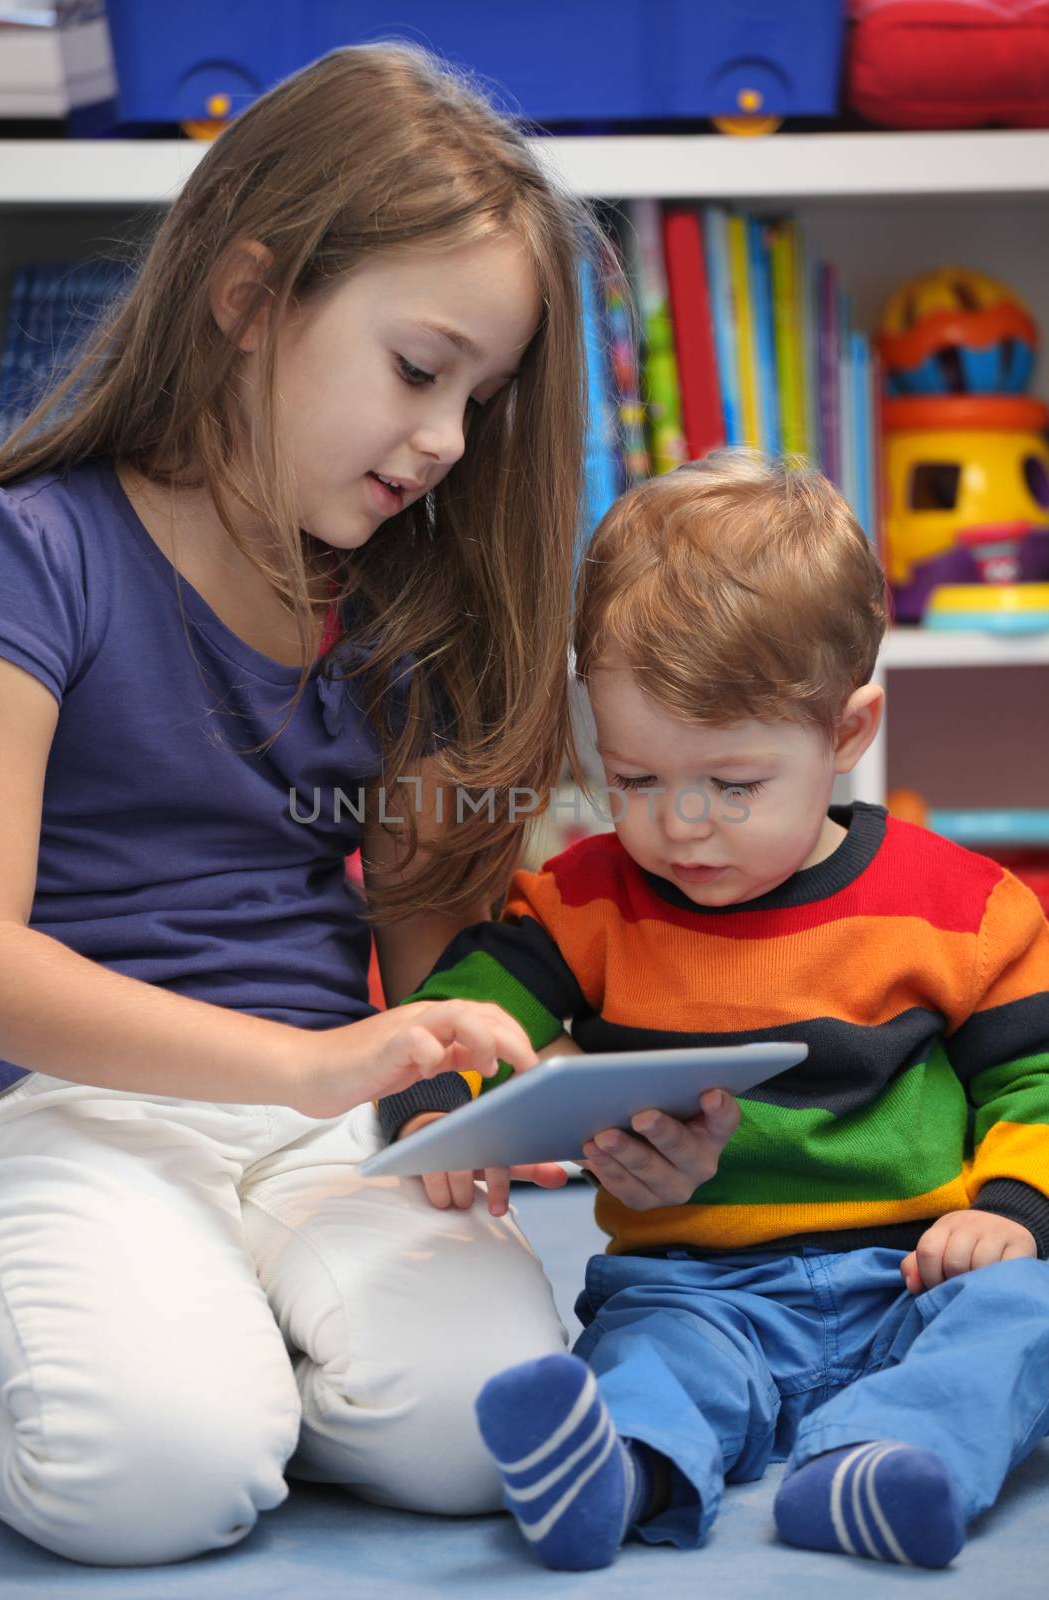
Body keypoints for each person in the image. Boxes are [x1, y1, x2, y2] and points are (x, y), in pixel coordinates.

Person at [0, 41, 639, 1567]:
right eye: (420, 369)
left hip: (323, 1134)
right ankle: (157, 1349)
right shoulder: (32, 556)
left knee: (485, 1432)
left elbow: (429, 980)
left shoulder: (404, 621)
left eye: (479, 395)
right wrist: (302, 1065)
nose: (447, 442)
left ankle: (213, 1334)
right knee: (151, 1478)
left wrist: (511, 1095)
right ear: (247, 300)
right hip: (71, 1115)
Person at [378, 449, 1049, 1573]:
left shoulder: (965, 908)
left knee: (1022, 1317)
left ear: (845, 732)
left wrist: (1012, 1207)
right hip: (691, 1285)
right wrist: (437, 1101)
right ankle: (615, 1472)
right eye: (634, 779)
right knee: (644, 1360)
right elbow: (453, 1009)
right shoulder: (585, 898)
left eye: (731, 786)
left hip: (913, 1277)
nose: (679, 824)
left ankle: (883, 1461)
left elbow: (1032, 1078)